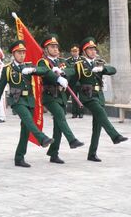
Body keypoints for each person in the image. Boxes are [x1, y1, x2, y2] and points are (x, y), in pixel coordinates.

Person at [0, 40, 55, 167]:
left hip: (29, 100)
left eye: (23, 52)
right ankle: (42, 138)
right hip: (17, 100)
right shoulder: (7, 69)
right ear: (13, 54)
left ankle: (19, 157)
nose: (22, 55)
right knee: (28, 120)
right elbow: (0, 87)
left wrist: (33, 69)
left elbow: (45, 70)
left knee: (25, 130)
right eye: (19, 53)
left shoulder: (29, 65)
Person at [71, 37, 128, 162]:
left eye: (93, 49)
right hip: (88, 96)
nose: (93, 51)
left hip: (99, 95)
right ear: (84, 51)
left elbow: (113, 70)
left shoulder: (99, 63)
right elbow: (72, 81)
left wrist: (103, 69)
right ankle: (115, 136)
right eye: (89, 49)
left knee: (97, 126)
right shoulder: (79, 65)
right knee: (101, 113)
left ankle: (92, 153)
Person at [37, 34, 84, 164]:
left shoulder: (62, 61)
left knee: (58, 127)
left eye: (56, 46)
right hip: (50, 96)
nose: (55, 49)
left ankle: (53, 153)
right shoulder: (43, 62)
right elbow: (45, 73)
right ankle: (72, 140)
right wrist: (54, 74)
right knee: (60, 115)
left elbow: (72, 70)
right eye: (52, 47)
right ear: (46, 49)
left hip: (62, 96)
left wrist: (63, 73)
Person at [66, 43, 84, 118]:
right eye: (73, 51)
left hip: (81, 82)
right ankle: (74, 113)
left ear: (78, 51)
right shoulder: (68, 60)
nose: (74, 53)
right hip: (73, 82)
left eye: (76, 51)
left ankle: (81, 113)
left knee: (81, 97)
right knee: (74, 98)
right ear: (71, 52)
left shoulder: (83, 60)